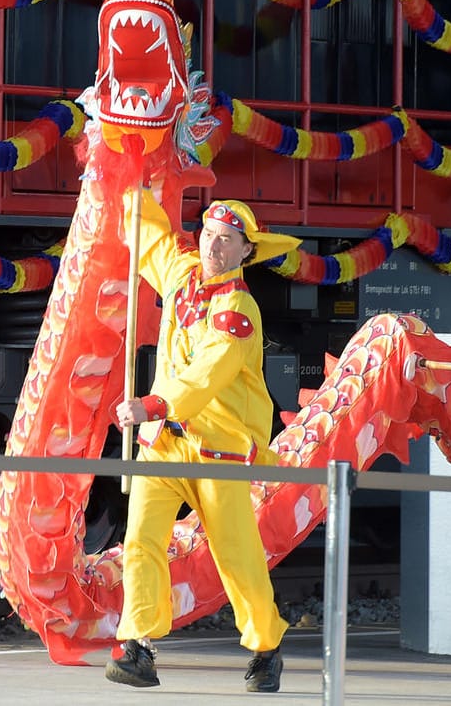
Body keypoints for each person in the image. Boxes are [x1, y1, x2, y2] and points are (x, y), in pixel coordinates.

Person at [106, 189, 299, 693]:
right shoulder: (182, 272)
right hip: (166, 443)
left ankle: (265, 646)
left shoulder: (239, 310)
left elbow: (205, 374)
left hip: (220, 449)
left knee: (236, 557)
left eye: (227, 240)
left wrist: (152, 404)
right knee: (141, 540)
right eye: (209, 235)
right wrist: (130, 183)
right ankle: (138, 646)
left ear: (245, 251)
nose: (214, 245)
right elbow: (148, 240)